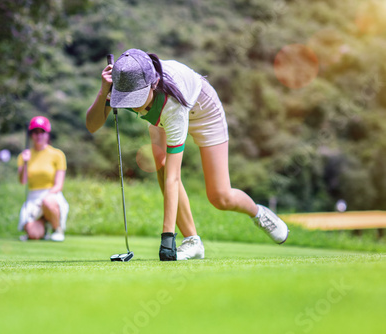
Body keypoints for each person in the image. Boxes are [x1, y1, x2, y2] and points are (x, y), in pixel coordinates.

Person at [86, 49, 289, 261]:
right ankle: (192, 241)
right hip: (159, 114)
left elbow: (174, 177)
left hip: (202, 110)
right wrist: (103, 93)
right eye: (127, 98)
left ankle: (258, 213)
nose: (132, 104)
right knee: (160, 163)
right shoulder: (124, 86)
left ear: (153, 83)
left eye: (136, 97)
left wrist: (167, 238)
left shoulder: (171, 105)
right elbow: (92, 126)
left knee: (220, 197)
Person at [18, 116, 69, 242]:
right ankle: (44, 228)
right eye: (35, 132)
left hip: (51, 195)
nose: (39, 135)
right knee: (33, 235)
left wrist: (45, 197)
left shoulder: (57, 154)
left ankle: (57, 229)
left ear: (47, 134)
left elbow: (58, 185)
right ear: (31, 135)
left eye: (42, 132)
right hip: (33, 198)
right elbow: (23, 181)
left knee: (48, 202)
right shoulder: (24, 156)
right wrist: (25, 163)